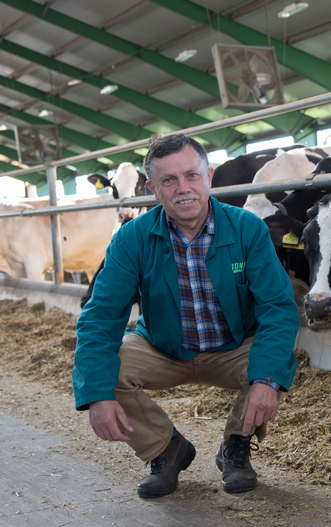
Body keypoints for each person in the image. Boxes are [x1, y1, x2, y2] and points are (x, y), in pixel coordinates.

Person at [72, 133, 299, 499]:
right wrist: (96, 395)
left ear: (208, 176)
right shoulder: (132, 238)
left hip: (233, 346)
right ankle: (166, 449)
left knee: (274, 361)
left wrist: (267, 380)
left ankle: (235, 446)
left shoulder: (246, 228)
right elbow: (100, 318)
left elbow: (278, 308)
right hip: (163, 348)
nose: (184, 189)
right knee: (103, 373)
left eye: (191, 175)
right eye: (169, 180)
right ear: (153, 189)